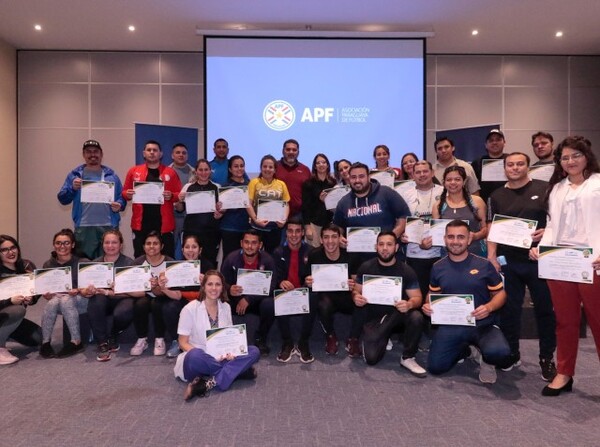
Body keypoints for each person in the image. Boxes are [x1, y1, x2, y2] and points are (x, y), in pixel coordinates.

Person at [531, 136, 600, 396]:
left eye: (576, 156)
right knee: (565, 321)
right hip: (560, 261)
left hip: (593, 261)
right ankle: (564, 373)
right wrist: (542, 249)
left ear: (587, 157)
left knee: (598, 320)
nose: (570, 161)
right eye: (565, 157)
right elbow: (551, 225)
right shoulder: (557, 188)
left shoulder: (598, 183)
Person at [487, 152, 557, 380]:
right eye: (510, 164)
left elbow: (558, 220)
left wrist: (547, 232)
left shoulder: (546, 188)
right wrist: (492, 257)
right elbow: (492, 230)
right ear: (504, 168)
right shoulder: (497, 195)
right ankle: (513, 353)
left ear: (528, 166)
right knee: (510, 310)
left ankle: (547, 358)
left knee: (545, 310)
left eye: (519, 164)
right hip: (510, 263)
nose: (515, 168)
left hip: (539, 261)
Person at [423, 220, 511, 384]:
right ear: (445, 239)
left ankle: (487, 360)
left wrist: (489, 307)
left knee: (500, 353)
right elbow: (432, 293)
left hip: (482, 324)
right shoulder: (437, 267)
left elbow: (501, 295)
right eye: (451, 237)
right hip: (452, 325)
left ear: (469, 239)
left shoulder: (484, 265)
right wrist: (427, 305)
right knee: (436, 367)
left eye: (460, 237)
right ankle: (466, 350)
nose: (455, 241)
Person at [174, 270, 260, 401]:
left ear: (222, 287)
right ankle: (236, 372)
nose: (214, 288)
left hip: (221, 356)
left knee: (254, 351)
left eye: (218, 284)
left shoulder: (225, 307)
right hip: (199, 359)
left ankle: (208, 383)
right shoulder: (189, 309)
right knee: (194, 355)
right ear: (203, 287)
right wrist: (210, 356)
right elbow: (182, 343)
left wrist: (232, 352)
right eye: (210, 284)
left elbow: (229, 338)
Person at [351, 232, 426, 376]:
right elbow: (356, 291)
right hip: (375, 318)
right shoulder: (366, 267)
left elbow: (417, 297)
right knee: (371, 359)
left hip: (398, 314)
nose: (385, 248)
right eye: (381, 244)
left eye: (389, 244)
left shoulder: (406, 270)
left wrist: (409, 304)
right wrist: (356, 297)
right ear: (376, 247)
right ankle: (383, 337)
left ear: (396, 247)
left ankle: (408, 357)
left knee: (416, 316)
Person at [57, 139, 126, 259]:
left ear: (101, 154)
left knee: (110, 261)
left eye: (96, 152)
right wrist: (72, 188)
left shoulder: (112, 176)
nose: (92, 155)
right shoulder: (75, 175)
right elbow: (63, 199)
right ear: (83, 155)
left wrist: (119, 205)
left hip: (109, 226)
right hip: (85, 227)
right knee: (85, 265)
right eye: (88, 152)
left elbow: (122, 197)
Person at [82, 229, 139, 362]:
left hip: (122, 298)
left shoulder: (129, 263)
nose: (110, 246)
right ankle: (102, 343)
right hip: (102, 300)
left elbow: (135, 291)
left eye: (114, 242)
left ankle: (113, 334)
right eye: (107, 242)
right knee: (96, 300)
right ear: (102, 245)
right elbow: (83, 290)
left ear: (121, 245)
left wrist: (110, 291)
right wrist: (88, 291)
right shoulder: (94, 264)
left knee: (126, 310)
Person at [305, 224, 361, 356]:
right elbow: (308, 281)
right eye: (326, 237)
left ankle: (353, 338)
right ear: (321, 240)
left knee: (361, 302)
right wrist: (308, 282)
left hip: (346, 296)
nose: (330, 241)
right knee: (321, 303)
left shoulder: (351, 256)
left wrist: (353, 287)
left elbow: (357, 284)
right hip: (326, 297)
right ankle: (330, 336)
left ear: (340, 238)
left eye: (334, 237)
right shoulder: (314, 255)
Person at [157, 233, 215, 358]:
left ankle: (208, 342)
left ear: (200, 250)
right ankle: (176, 341)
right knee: (168, 307)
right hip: (183, 300)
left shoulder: (208, 266)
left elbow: (216, 293)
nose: (190, 250)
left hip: (202, 301)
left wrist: (207, 283)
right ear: (182, 250)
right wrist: (164, 288)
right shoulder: (176, 268)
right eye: (187, 247)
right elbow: (177, 295)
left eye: (194, 247)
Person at [122, 140, 182, 258]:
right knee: (140, 257)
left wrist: (172, 196)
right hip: (140, 223)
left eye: (155, 150)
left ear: (161, 154)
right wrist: (127, 194)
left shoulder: (170, 172)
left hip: (164, 225)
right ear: (144, 153)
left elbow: (179, 194)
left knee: (167, 257)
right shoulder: (133, 171)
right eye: (149, 150)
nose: (152, 152)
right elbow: (124, 192)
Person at [220, 230, 276, 356]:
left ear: (260, 245)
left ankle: (260, 338)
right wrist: (229, 289)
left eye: (254, 243)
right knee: (220, 301)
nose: (249, 246)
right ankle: (225, 340)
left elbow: (272, 286)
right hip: (235, 300)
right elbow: (221, 282)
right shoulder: (231, 258)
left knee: (270, 304)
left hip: (257, 301)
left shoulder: (268, 260)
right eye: (246, 242)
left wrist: (249, 299)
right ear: (241, 243)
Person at [333, 162, 410, 245]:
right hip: (356, 255)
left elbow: (404, 216)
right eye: (353, 177)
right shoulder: (343, 202)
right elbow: (337, 226)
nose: (357, 180)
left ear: (369, 177)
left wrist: (392, 237)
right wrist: (339, 237)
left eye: (361, 176)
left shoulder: (386, 193)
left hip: (386, 254)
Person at [272, 218, 317, 363]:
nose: (294, 235)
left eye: (297, 231)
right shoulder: (278, 252)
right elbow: (274, 278)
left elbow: (316, 276)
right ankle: (288, 342)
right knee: (279, 298)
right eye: (290, 231)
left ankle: (303, 342)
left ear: (303, 233)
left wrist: (311, 281)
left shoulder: (311, 252)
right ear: (286, 233)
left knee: (313, 297)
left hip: (303, 292)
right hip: (286, 293)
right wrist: (280, 282)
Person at [39, 229, 88, 359]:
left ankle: (76, 341)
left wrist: (77, 289)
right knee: (53, 301)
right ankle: (45, 343)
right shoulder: (48, 264)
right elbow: (47, 289)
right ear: (54, 245)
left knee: (66, 299)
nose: (62, 246)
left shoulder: (83, 262)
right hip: (59, 302)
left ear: (72, 245)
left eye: (66, 243)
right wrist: (47, 295)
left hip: (82, 301)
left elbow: (90, 287)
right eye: (58, 243)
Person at [400, 161, 444, 298]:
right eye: (418, 172)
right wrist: (402, 235)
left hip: (440, 253)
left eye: (425, 171)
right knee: (418, 294)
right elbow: (401, 221)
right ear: (413, 175)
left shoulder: (443, 192)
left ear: (432, 173)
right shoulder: (406, 195)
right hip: (414, 254)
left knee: (438, 294)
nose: (422, 175)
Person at [129, 231, 177, 357]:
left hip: (164, 296)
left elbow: (174, 287)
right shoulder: (137, 263)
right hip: (143, 295)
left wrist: (160, 286)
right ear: (144, 246)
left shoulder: (170, 262)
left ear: (161, 246)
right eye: (148, 243)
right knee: (140, 304)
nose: (151, 246)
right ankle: (141, 339)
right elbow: (131, 285)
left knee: (157, 304)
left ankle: (159, 339)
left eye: (155, 243)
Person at [0, 235, 42, 364]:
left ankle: (5, 333)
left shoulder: (27, 266)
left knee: (39, 338)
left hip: (9, 317)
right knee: (17, 310)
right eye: (4, 250)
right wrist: (10, 301)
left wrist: (31, 298)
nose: (11, 252)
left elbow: (35, 294)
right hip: (6, 312)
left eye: (13, 247)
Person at [433, 165, 488, 257]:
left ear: (464, 181)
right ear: (444, 183)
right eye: (449, 180)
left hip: (475, 252)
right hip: (449, 255)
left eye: (457, 179)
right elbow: (437, 233)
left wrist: (475, 236)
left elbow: (485, 229)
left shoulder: (477, 201)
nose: (453, 182)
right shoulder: (438, 205)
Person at [177, 159, 223, 267]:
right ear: (196, 172)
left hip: (211, 233)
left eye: (206, 169)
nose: (203, 172)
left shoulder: (217, 187)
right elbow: (180, 209)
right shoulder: (188, 187)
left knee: (210, 262)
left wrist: (220, 214)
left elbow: (221, 209)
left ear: (210, 171)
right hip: (191, 232)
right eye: (200, 170)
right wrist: (179, 200)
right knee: (189, 263)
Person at [246, 154, 290, 254]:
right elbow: (248, 203)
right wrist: (255, 220)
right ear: (261, 168)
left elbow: (286, 204)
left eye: (270, 167)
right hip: (257, 228)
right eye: (265, 166)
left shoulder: (281, 184)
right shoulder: (254, 182)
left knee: (273, 256)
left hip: (274, 228)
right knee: (254, 254)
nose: (267, 169)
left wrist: (284, 220)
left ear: (275, 170)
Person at [302, 153, 337, 247]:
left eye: (324, 162)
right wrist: (307, 227)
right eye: (318, 163)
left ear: (328, 165)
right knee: (313, 252)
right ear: (315, 166)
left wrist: (327, 201)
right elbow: (305, 207)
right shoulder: (308, 183)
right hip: (314, 224)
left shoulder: (333, 183)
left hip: (329, 224)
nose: (321, 165)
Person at [220, 155, 251, 258]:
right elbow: (220, 210)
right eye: (236, 166)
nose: (239, 169)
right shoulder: (225, 187)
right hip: (229, 229)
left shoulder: (249, 185)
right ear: (230, 169)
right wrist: (220, 209)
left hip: (246, 229)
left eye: (242, 166)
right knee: (229, 259)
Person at [169, 143, 195, 259]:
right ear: (172, 155)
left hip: (189, 216)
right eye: (178, 152)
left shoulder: (195, 172)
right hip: (170, 216)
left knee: (189, 249)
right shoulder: (165, 172)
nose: (181, 155)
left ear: (187, 156)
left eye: (184, 153)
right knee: (170, 248)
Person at [275, 139, 310, 219]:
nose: (291, 152)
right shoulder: (273, 167)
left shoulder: (305, 169)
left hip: (298, 215)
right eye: (288, 149)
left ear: (298, 152)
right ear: (283, 151)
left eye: (294, 150)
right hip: (276, 214)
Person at [471, 129, 508, 203]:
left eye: (498, 140)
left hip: (507, 202)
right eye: (491, 140)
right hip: (484, 203)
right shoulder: (477, 162)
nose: (494, 142)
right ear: (486, 145)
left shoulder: (510, 160)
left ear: (504, 142)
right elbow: (473, 186)